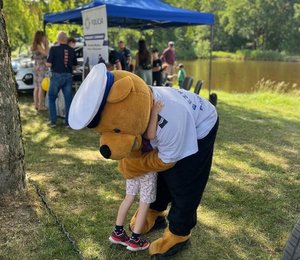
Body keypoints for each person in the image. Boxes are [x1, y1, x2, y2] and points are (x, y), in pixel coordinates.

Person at [109, 100, 164, 251]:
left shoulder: (126, 121)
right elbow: (151, 134)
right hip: (145, 166)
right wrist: (155, 112)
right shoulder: (143, 120)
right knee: (144, 203)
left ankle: (118, 232)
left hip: (131, 165)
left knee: (129, 197)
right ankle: (135, 239)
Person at [46, 31, 78, 128]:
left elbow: (49, 64)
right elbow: (75, 65)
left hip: (56, 76)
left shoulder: (54, 49)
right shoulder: (72, 50)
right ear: (66, 39)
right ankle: (68, 122)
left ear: (58, 39)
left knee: (51, 97)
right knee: (68, 99)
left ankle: (53, 121)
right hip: (68, 76)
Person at [31, 31, 49, 111]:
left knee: (36, 87)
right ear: (40, 37)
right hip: (41, 68)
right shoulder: (38, 46)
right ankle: (40, 106)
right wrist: (46, 44)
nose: (44, 38)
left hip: (36, 67)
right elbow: (46, 53)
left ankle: (36, 105)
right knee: (40, 87)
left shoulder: (34, 45)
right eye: (43, 37)